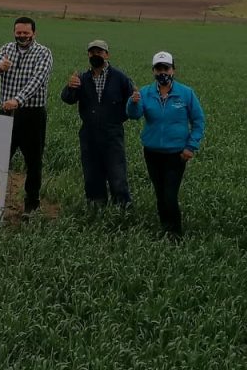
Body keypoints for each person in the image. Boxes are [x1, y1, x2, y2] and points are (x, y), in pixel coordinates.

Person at [126, 51, 205, 238]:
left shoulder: (185, 93)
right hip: (152, 152)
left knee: (170, 194)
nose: (163, 72)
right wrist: (133, 102)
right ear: (153, 71)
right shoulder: (145, 93)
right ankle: (165, 228)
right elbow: (134, 115)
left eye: (166, 68)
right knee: (160, 193)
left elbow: (199, 121)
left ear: (173, 70)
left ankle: (175, 232)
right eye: (159, 69)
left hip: (177, 154)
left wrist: (190, 146)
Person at [0, 16, 53, 214]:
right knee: (0, 160)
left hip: (32, 115)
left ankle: (31, 206)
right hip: (7, 114)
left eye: (26, 33)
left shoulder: (43, 53)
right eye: (19, 33)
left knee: (33, 162)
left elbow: (38, 80)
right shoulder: (6, 49)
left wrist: (18, 99)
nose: (22, 36)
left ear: (34, 33)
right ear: (14, 33)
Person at [61, 39, 134, 207]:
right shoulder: (82, 78)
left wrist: (118, 118)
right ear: (88, 55)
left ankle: (122, 209)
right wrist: (70, 87)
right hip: (89, 133)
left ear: (107, 55)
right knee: (92, 173)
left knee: (117, 174)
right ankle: (96, 207)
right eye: (92, 52)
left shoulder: (119, 77)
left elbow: (131, 102)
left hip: (112, 133)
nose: (96, 55)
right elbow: (67, 99)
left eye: (99, 52)